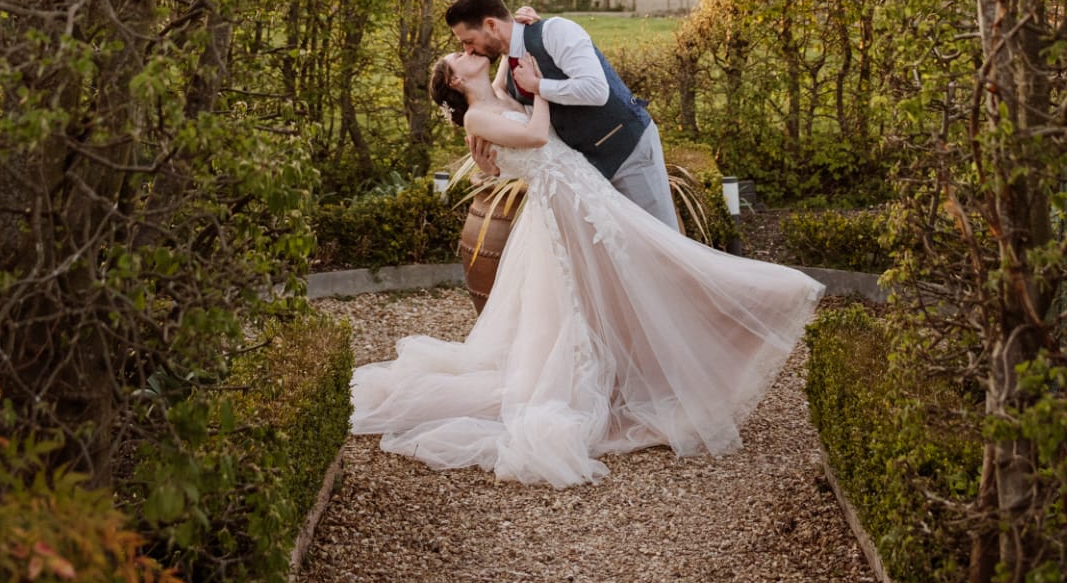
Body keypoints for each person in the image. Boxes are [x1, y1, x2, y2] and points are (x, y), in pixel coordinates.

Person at [349, 42, 824, 487]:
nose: (467, 52)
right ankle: (624, 377)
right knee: (600, 291)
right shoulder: (478, 116)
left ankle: (676, 353)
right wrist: (538, 93)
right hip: (566, 207)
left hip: (583, 192)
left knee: (641, 269)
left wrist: (521, 27)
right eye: (458, 57)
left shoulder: (492, 94)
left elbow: (504, 65)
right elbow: (536, 135)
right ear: (454, 82)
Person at [443, 0, 680, 229]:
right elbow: (516, 126)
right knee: (621, 256)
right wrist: (491, 167)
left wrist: (539, 86)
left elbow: (597, 91)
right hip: (586, 175)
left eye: (469, 42)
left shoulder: (555, 31)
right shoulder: (509, 76)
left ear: (491, 25)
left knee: (663, 245)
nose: (467, 50)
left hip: (628, 149)